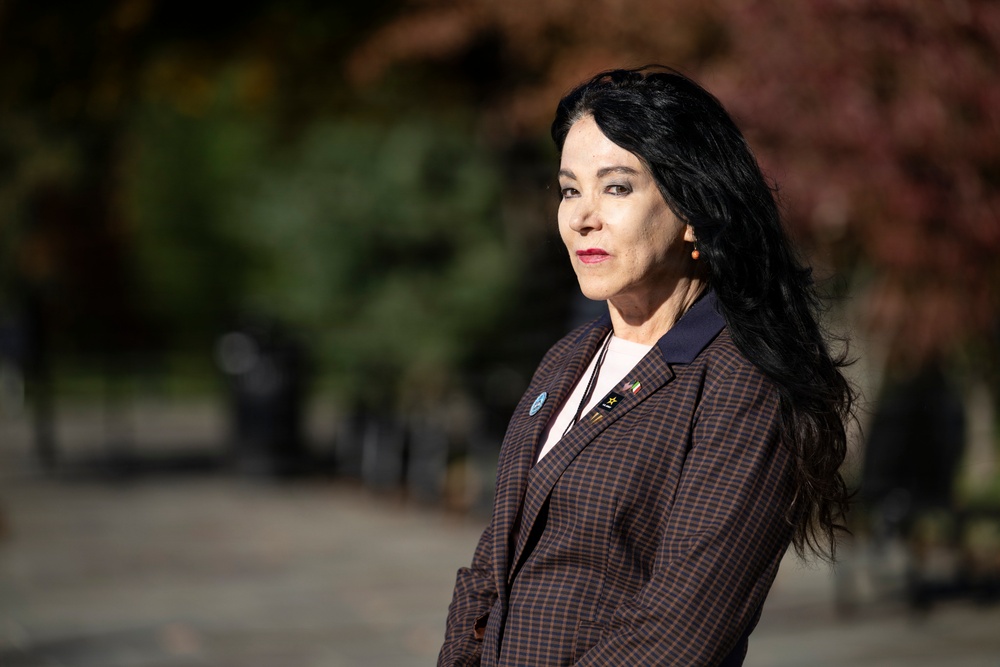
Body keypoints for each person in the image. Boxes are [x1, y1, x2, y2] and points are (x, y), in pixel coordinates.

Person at [439, 66, 854, 667]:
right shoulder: (569, 359)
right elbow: (493, 561)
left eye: (616, 187)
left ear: (692, 208)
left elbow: (682, 629)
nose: (583, 217)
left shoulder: (740, 384)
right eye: (569, 189)